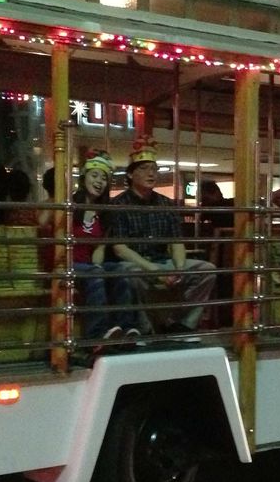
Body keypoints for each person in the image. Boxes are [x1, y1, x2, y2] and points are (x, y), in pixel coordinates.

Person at [107, 138, 216, 335]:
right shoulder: (118, 204)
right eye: (144, 169)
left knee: (206, 269)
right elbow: (120, 248)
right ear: (130, 174)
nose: (151, 173)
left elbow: (176, 241)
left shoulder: (166, 204)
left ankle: (181, 325)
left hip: (162, 261)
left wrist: (180, 269)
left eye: (154, 169)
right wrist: (154, 271)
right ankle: (143, 329)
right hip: (137, 264)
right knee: (129, 274)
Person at [44, 150, 140, 341]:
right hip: (65, 264)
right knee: (95, 275)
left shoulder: (103, 213)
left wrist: (96, 266)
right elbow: (43, 221)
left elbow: (99, 249)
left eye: (103, 178)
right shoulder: (69, 203)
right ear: (84, 177)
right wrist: (58, 195)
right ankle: (96, 334)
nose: (99, 181)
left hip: (87, 265)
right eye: (94, 175)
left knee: (120, 271)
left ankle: (127, 327)